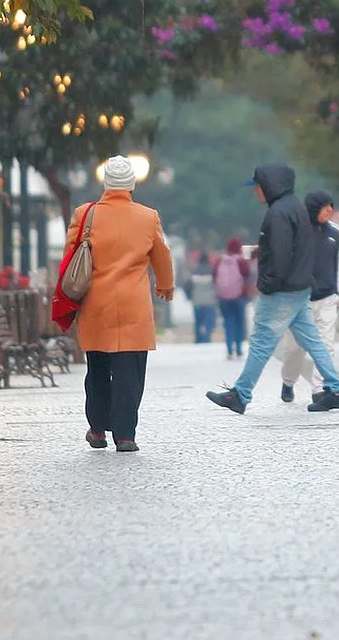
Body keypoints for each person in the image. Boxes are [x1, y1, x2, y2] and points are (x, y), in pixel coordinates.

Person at [205, 164, 339, 414]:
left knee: (262, 342)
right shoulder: (295, 207)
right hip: (300, 286)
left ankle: (240, 394)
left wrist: (267, 285)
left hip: (282, 289)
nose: (256, 193)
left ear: (269, 186)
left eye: (258, 187)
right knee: (314, 341)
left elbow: (281, 254)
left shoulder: (279, 213)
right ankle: (336, 389)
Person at [67, 155, 174, 453]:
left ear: (105, 183)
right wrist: (166, 285)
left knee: (98, 368)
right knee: (130, 372)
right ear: (131, 184)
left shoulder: (84, 215)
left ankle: (98, 430)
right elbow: (162, 256)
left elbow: (70, 258)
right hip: (133, 306)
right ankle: (126, 436)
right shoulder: (147, 216)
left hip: (95, 304)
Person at [278, 190, 339, 403]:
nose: (330, 210)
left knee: (326, 346)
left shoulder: (335, 233)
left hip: (327, 299)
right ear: (314, 208)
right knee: (294, 350)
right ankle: (288, 381)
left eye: (332, 206)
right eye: (326, 206)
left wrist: (337, 292)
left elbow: (336, 265)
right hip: (300, 300)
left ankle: (319, 390)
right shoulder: (296, 232)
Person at [214, 237, 251, 359]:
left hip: (224, 297)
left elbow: (214, 275)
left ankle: (229, 349)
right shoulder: (241, 261)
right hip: (239, 296)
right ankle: (239, 349)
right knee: (240, 323)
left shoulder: (220, 260)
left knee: (228, 322)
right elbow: (247, 275)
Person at [185, 253, 218, 344]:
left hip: (197, 301)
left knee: (198, 322)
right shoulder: (212, 271)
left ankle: (198, 339)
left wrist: (190, 297)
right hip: (209, 301)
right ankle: (207, 337)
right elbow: (217, 285)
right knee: (208, 322)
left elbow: (188, 286)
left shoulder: (194, 271)